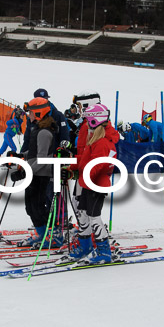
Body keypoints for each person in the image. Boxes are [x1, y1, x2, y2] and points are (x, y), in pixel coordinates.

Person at [61, 103, 119, 264]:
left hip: (96, 185)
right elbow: (85, 160)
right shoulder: (94, 139)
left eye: (88, 120)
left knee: (94, 218)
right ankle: (85, 247)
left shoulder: (102, 142)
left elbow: (98, 165)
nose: (85, 124)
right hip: (87, 184)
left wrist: (83, 175)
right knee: (84, 216)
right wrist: (69, 165)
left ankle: (104, 251)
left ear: (95, 121)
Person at [9, 97, 61, 248]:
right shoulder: (37, 129)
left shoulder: (44, 132)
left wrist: (25, 173)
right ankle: (42, 234)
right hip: (34, 173)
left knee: (37, 207)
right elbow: (34, 153)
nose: (28, 115)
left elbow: (43, 159)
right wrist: (20, 156)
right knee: (30, 207)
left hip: (40, 174)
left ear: (38, 113)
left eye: (30, 112)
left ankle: (51, 236)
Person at [20, 88, 69, 153]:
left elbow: (64, 135)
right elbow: (27, 140)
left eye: (45, 99)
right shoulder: (31, 119)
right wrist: (21, 155)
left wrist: (62, 151)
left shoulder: (58, 115)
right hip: (36, 156)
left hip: (54, 155)